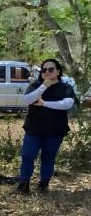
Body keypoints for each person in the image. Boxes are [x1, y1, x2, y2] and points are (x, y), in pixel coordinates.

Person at [16, 58, 77, 193]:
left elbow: (67, 104)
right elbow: (28, 99)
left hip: (55, 130)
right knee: (27, 156)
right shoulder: (36, 86)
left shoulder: (65, 88)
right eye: (44, 70)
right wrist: (44, 86)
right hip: (33, 129)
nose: (47, 72)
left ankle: (43, 185)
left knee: (48, 158)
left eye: (51, 69)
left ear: (58, 71)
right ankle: (23, 184)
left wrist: (45, 104)